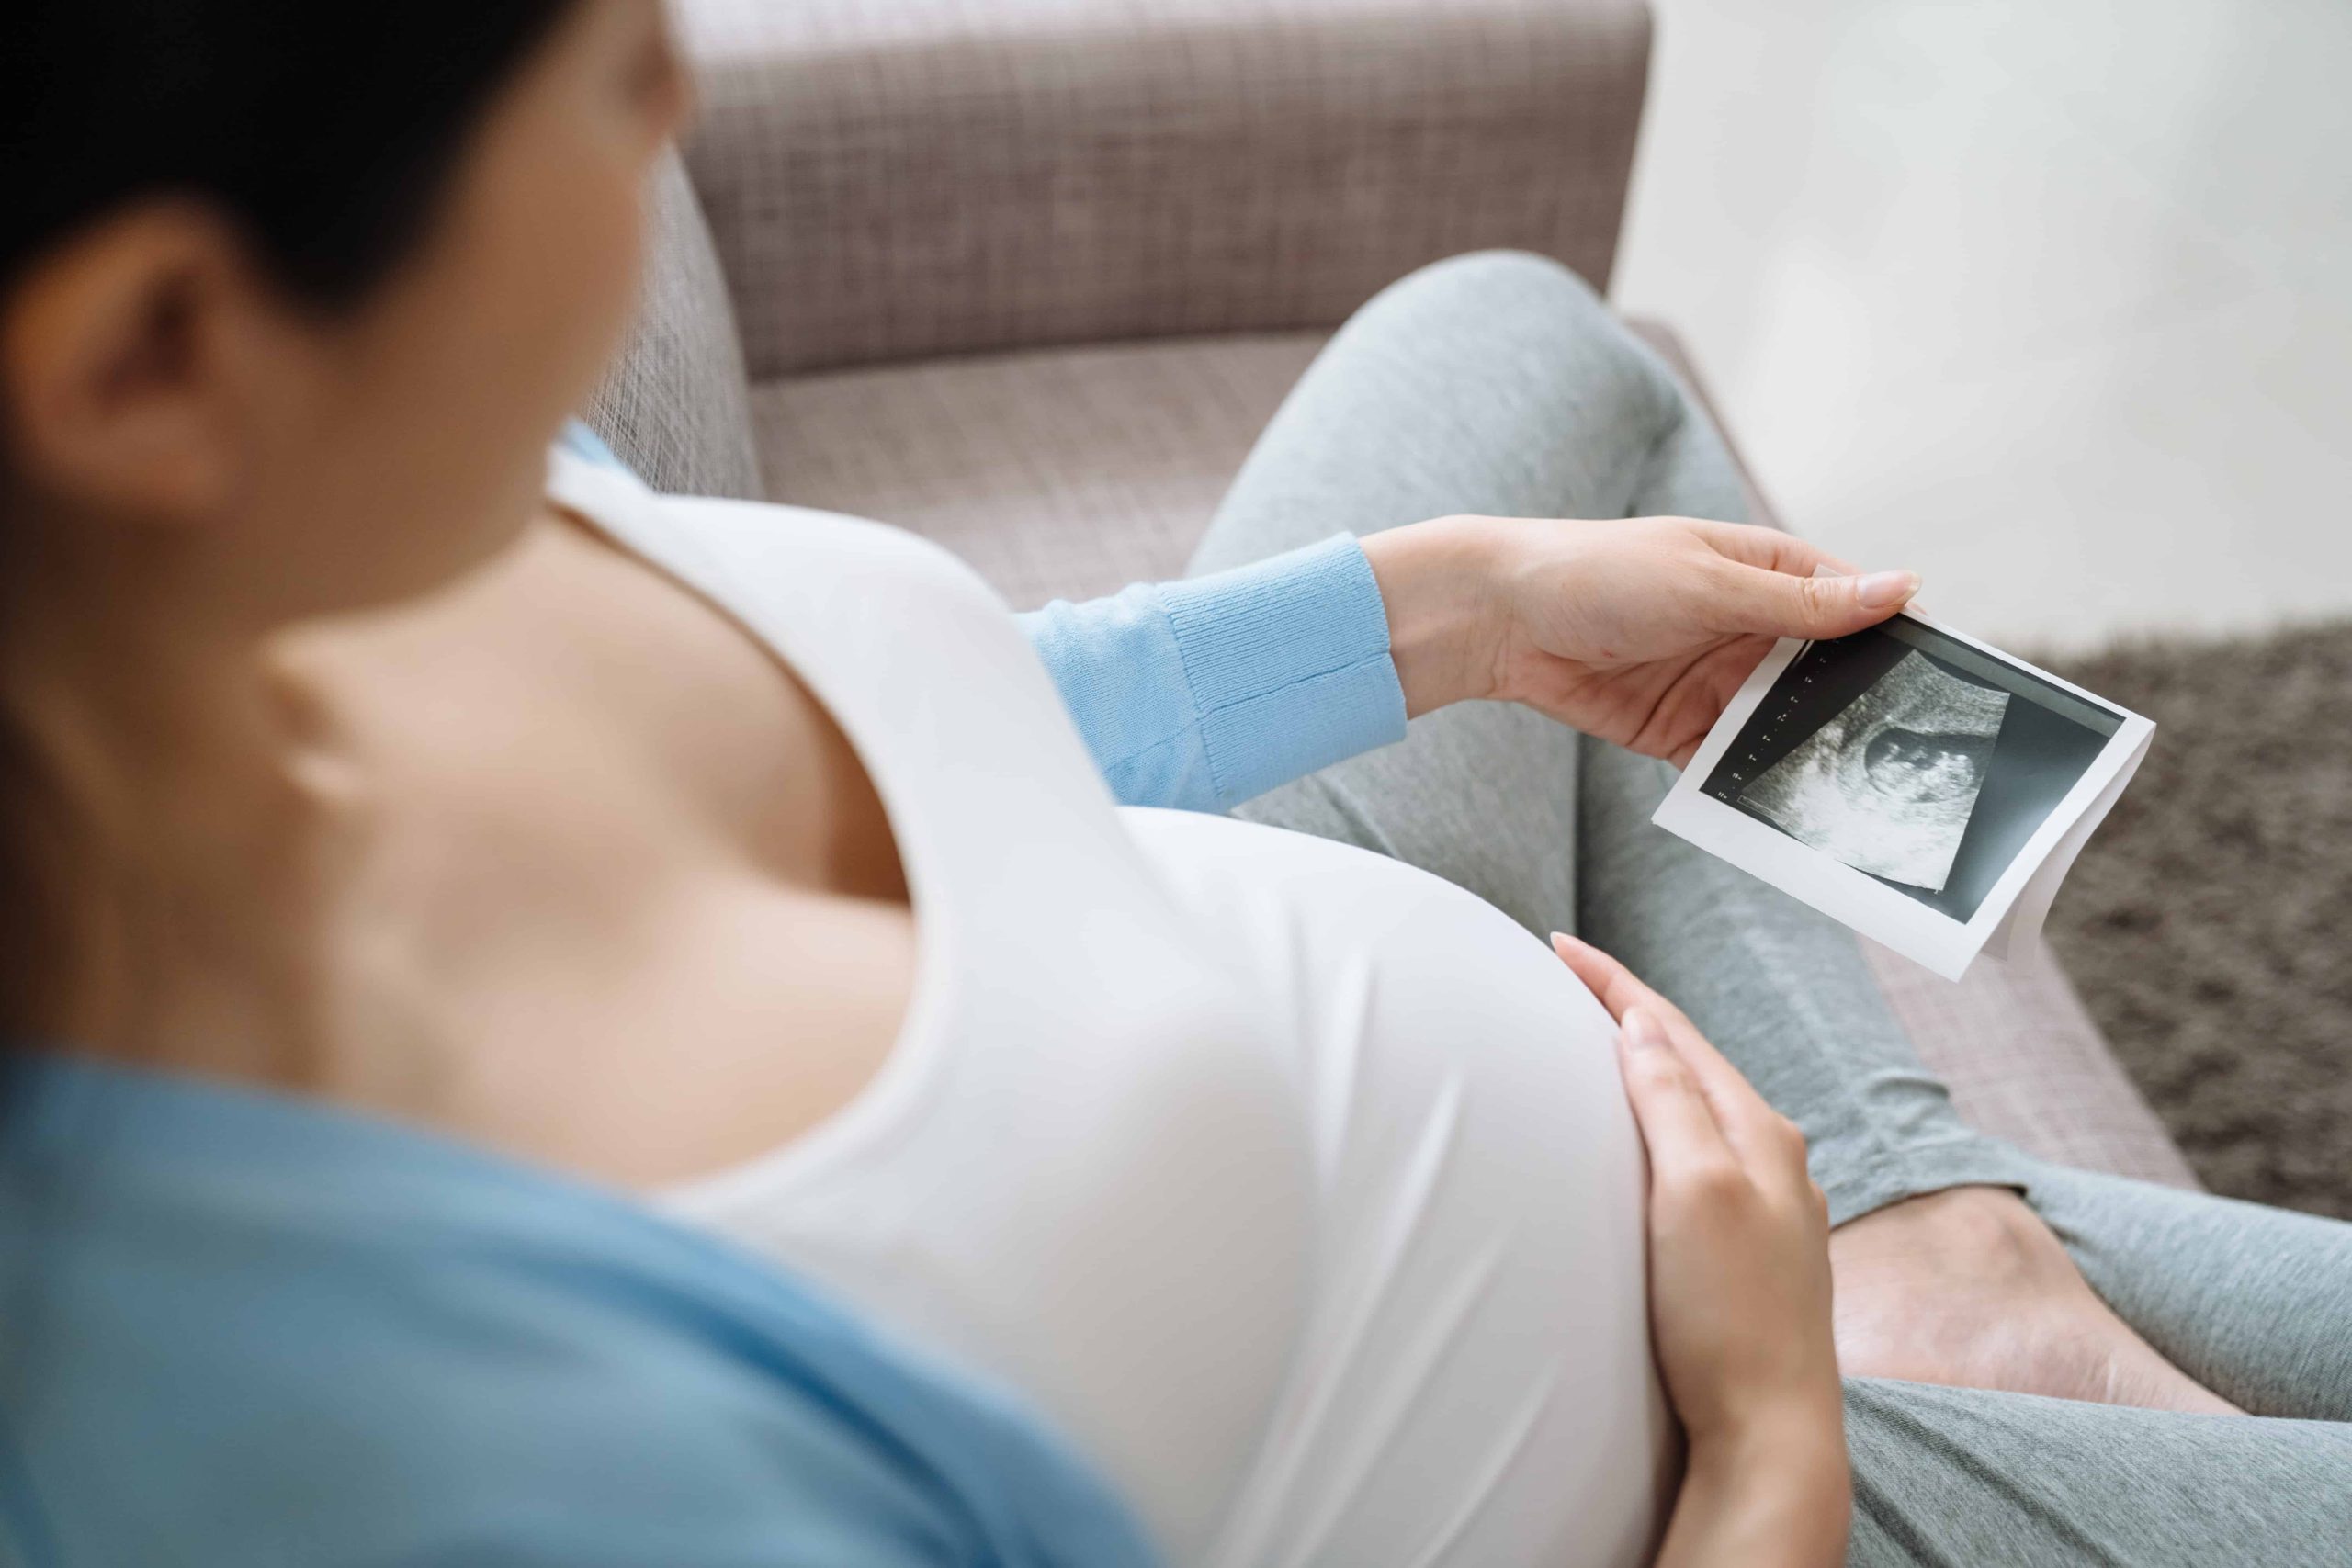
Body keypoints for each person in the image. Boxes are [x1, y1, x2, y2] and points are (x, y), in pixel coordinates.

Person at [2, 4, 2348, 1566]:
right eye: (610, 72)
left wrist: (1454, 610)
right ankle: (1895, 1307)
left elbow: (891, 724)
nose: (683, 105)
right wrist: (1759, 1453)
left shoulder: (331, 509)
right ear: (154, 353)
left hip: (1330, 1007)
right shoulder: (454, 1439)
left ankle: (1912, 1224)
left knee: (1519, 351)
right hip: (1618, 1444)